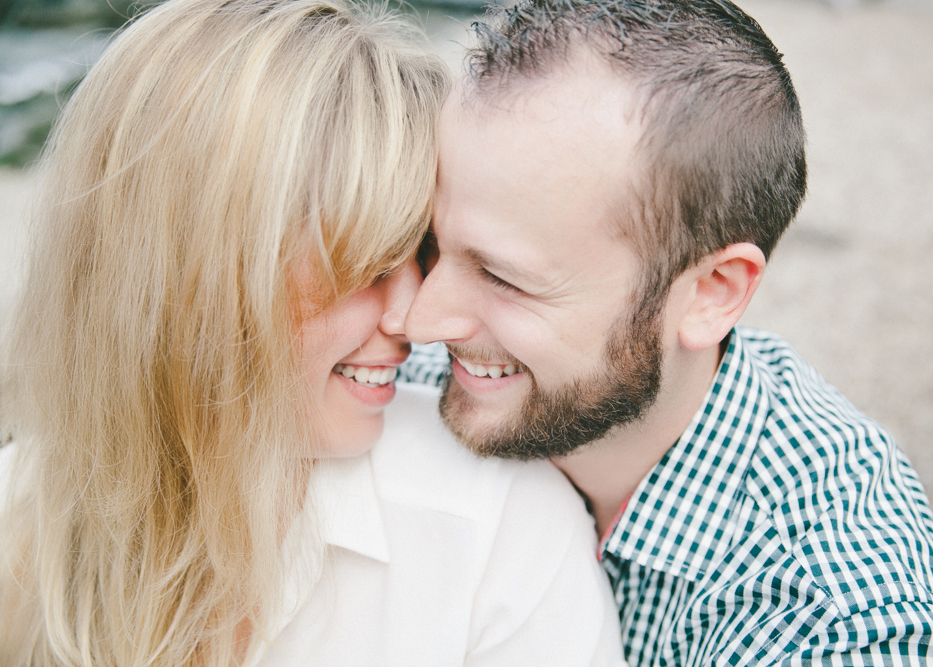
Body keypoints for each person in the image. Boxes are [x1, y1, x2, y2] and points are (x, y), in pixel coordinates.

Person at [0, 1, 625, 665]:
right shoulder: (19, 509)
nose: (414, 319)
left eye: (421, 251)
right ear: (195, 274)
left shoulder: (496, 525)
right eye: (361, 265)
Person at [401, 0, 933, 665]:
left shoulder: (838, 621)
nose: (419, 322)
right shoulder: (409, 375)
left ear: (711, 293)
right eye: (427, 247)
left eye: (505, 279)